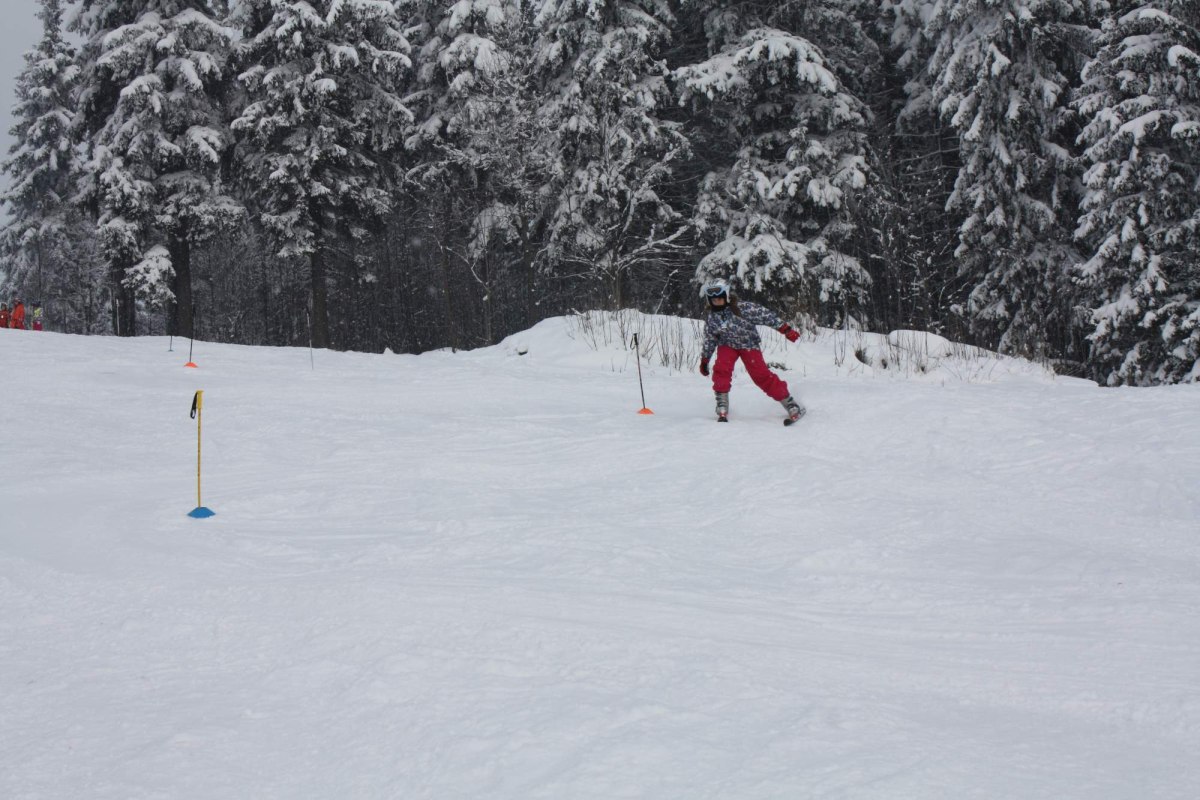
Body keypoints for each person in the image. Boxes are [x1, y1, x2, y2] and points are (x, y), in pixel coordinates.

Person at [698, 279, 806, 424]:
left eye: (719, 299)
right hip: (727, 345)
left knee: (761, 375)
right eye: (713, 300)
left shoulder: (744, 308)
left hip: (749, 345)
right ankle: (722, 403)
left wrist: (785, 329)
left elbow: (766, 316)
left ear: (727, 296)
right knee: (721, 369)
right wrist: (705, 360)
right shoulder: (712, 317)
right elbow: (710, 339)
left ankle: (789, 403)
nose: (716, 302)